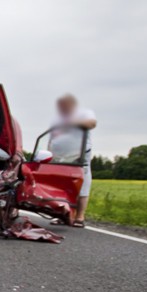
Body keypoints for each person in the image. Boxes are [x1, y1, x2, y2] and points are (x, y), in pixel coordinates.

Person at [54, 94, 97, 227]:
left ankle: (80, 216)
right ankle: (64, 215)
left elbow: (92, 123)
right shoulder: (61, 118)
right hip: (63, 156)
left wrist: (72, 122)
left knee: (83, 183)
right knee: (63, 185)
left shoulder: (85, 113)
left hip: (81, 154)